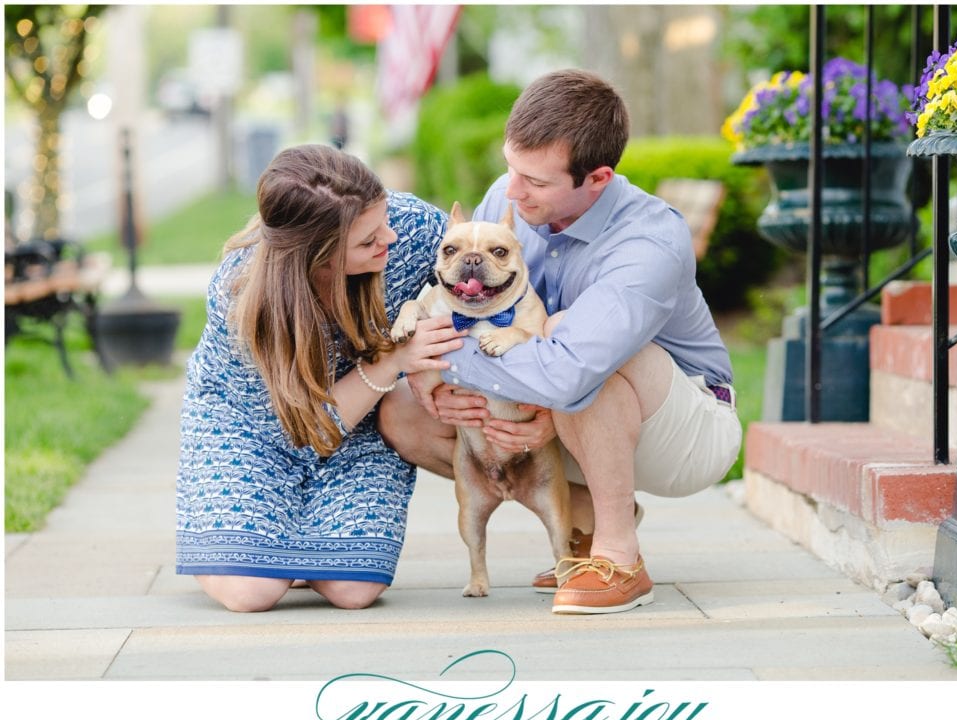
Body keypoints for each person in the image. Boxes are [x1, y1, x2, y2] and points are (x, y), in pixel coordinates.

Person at [380, 69, 742, 615]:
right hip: (557, 402)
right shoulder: (509, 198)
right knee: (404, 411)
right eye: (511, 168)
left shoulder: (647, 241)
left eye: (537, 181)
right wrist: (429, 373)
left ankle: (620, 558)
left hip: (685, 428)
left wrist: (449, 357)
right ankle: (584, 519)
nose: (513, 189)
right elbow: (465, 307)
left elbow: (569, 372)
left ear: (597, 178)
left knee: (581, 353)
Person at [176, 144, 465, 612]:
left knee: (354, 590)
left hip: (362, 420)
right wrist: (391, 362)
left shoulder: (413, 230)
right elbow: (301, 431)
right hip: (252, 429)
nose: (389, 238)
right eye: (368, 240)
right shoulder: (241, 295)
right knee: (251, 593)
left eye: (384, 219)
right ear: (317, 256)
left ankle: (292, 542)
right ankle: (258, 538)